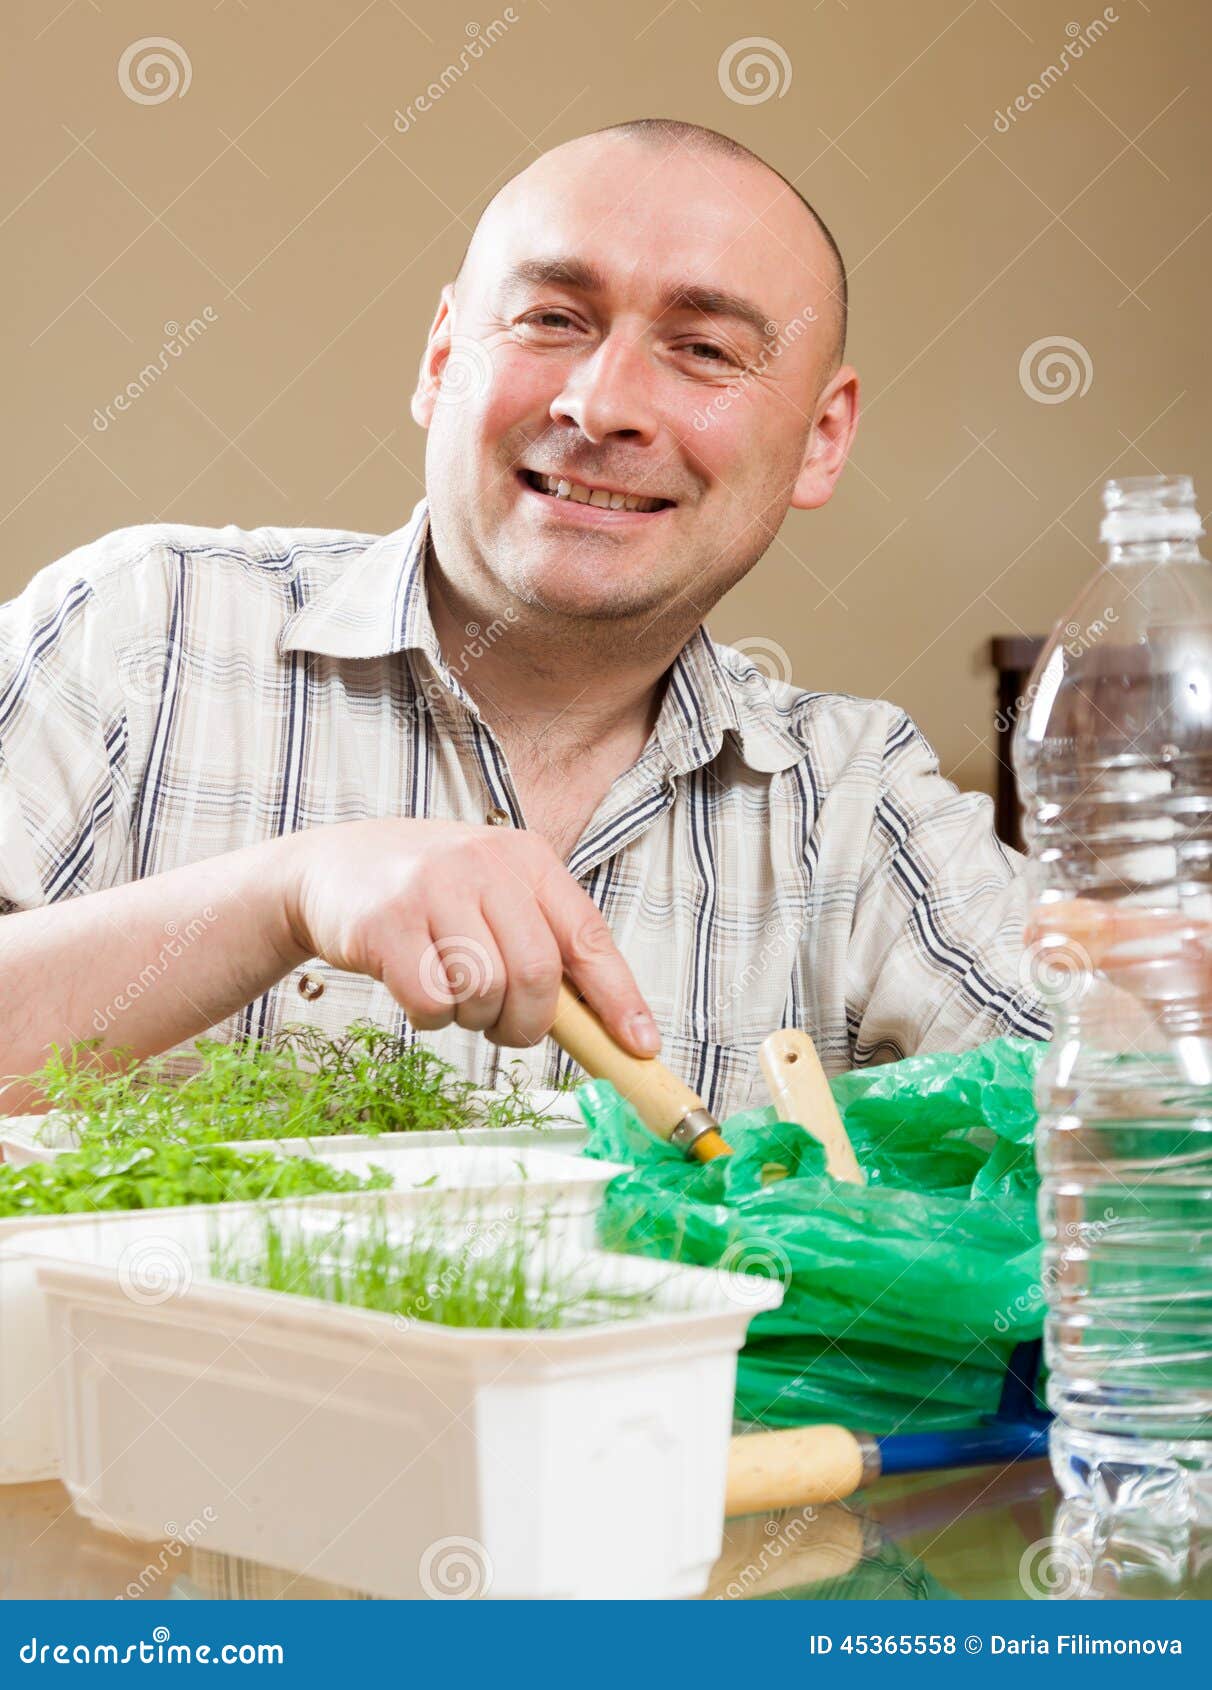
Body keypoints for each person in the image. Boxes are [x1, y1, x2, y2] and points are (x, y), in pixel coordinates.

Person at [0, 118, 1048, 1120]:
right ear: (441, 361)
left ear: (821, 439)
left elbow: (1111, 1110)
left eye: (703, 349)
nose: (602, 406)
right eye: (553, 320)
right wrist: (283, 895)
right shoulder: (137, 628)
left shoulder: (854, 802)